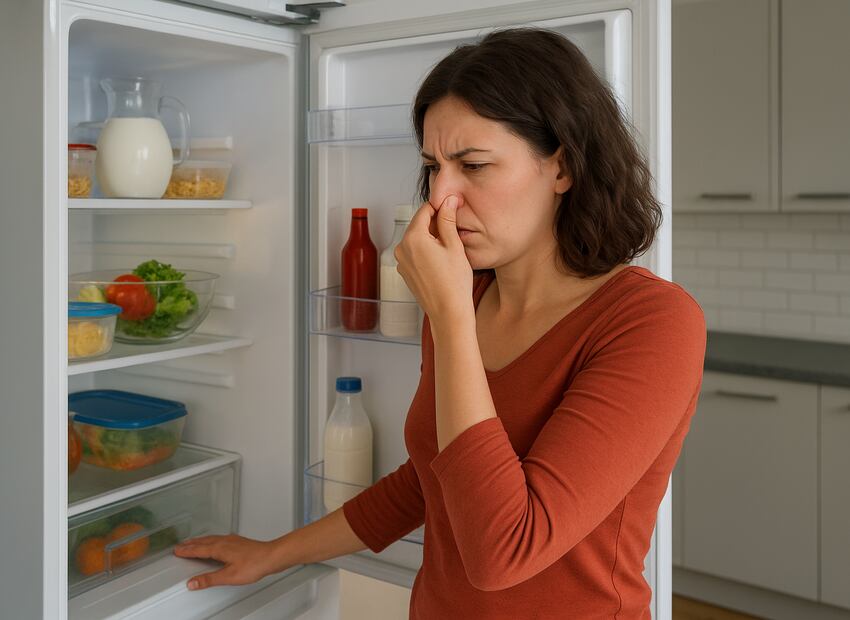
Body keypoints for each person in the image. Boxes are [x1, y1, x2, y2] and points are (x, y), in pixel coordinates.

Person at [174, 27, 706, 618]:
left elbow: (504, 551)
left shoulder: (651, 323)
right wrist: (275, 553)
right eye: (433, 166)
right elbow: (430, 479)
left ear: (562, 166)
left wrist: (451, 318)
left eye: (473, 165)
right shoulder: (465, 296)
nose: (441, 196)